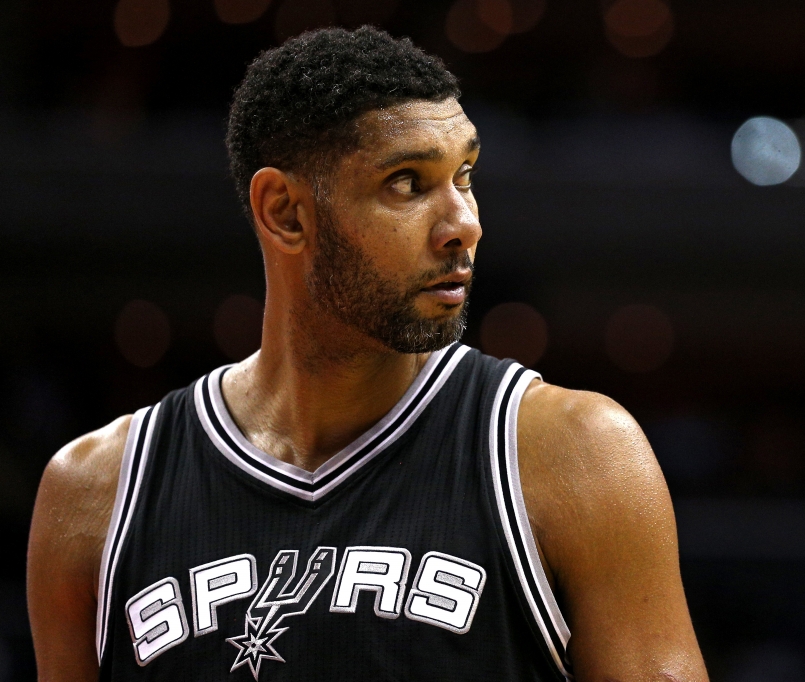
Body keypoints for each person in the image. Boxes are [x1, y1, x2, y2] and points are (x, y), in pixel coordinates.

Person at [28, 27, 708, 682]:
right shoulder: (96, 491)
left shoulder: (573, 452)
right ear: (286, 213)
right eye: (407, 183)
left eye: (464, 175)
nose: (463, 223)